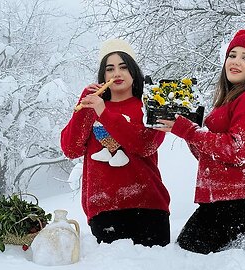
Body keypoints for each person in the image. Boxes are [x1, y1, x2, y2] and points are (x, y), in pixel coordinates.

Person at [156, 30, 245, 267]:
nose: (235, 61)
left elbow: (237, 151)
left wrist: (189, 131)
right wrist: (188, 129)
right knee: (187, 257)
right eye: (232, 55)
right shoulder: (228, 102)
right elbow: (209, 155)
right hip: (222, 202)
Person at [61, 38, 170, 247]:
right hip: (104, 209)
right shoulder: (91, 108)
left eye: (123, 67)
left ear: (133, 72)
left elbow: (144, 145)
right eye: (110, 69)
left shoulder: (150, 106)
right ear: (103, 76)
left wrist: (104, 112)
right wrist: (84, 108)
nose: (116, 74)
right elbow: (70, 149)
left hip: (148, 207)